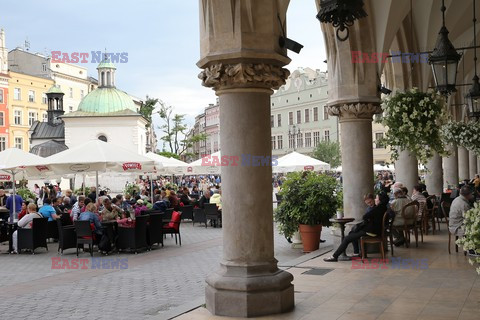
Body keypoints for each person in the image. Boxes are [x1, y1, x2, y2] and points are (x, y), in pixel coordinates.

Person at [324, 193, 389, 262]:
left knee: (347, 238)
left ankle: (334, 256)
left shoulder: (379, 208)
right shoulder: (382, 207)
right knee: (352, 233)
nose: (375, 199)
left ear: (380, 200)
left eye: (377, 198)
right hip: (373, 230)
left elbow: (365, 216)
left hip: (371, 232)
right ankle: (356, 253)